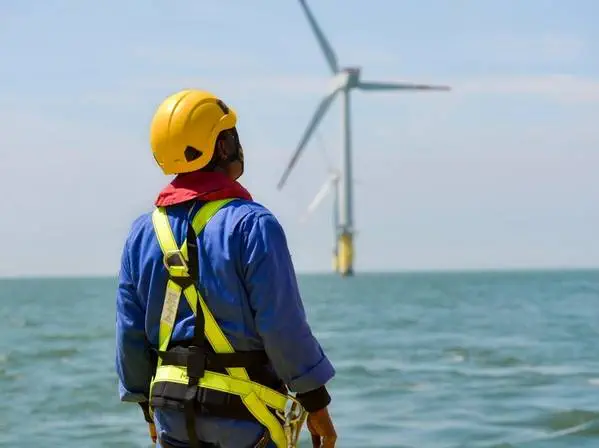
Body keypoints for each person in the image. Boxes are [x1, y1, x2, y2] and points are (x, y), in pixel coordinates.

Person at [115, 89, 337, 448]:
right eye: (230, 135)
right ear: (221, 147)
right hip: (246, 413)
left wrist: (145, 404)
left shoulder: (142, 233)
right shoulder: (252, 224)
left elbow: (130, 332)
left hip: (170, 410)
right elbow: (282, 325)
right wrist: (316, 403)